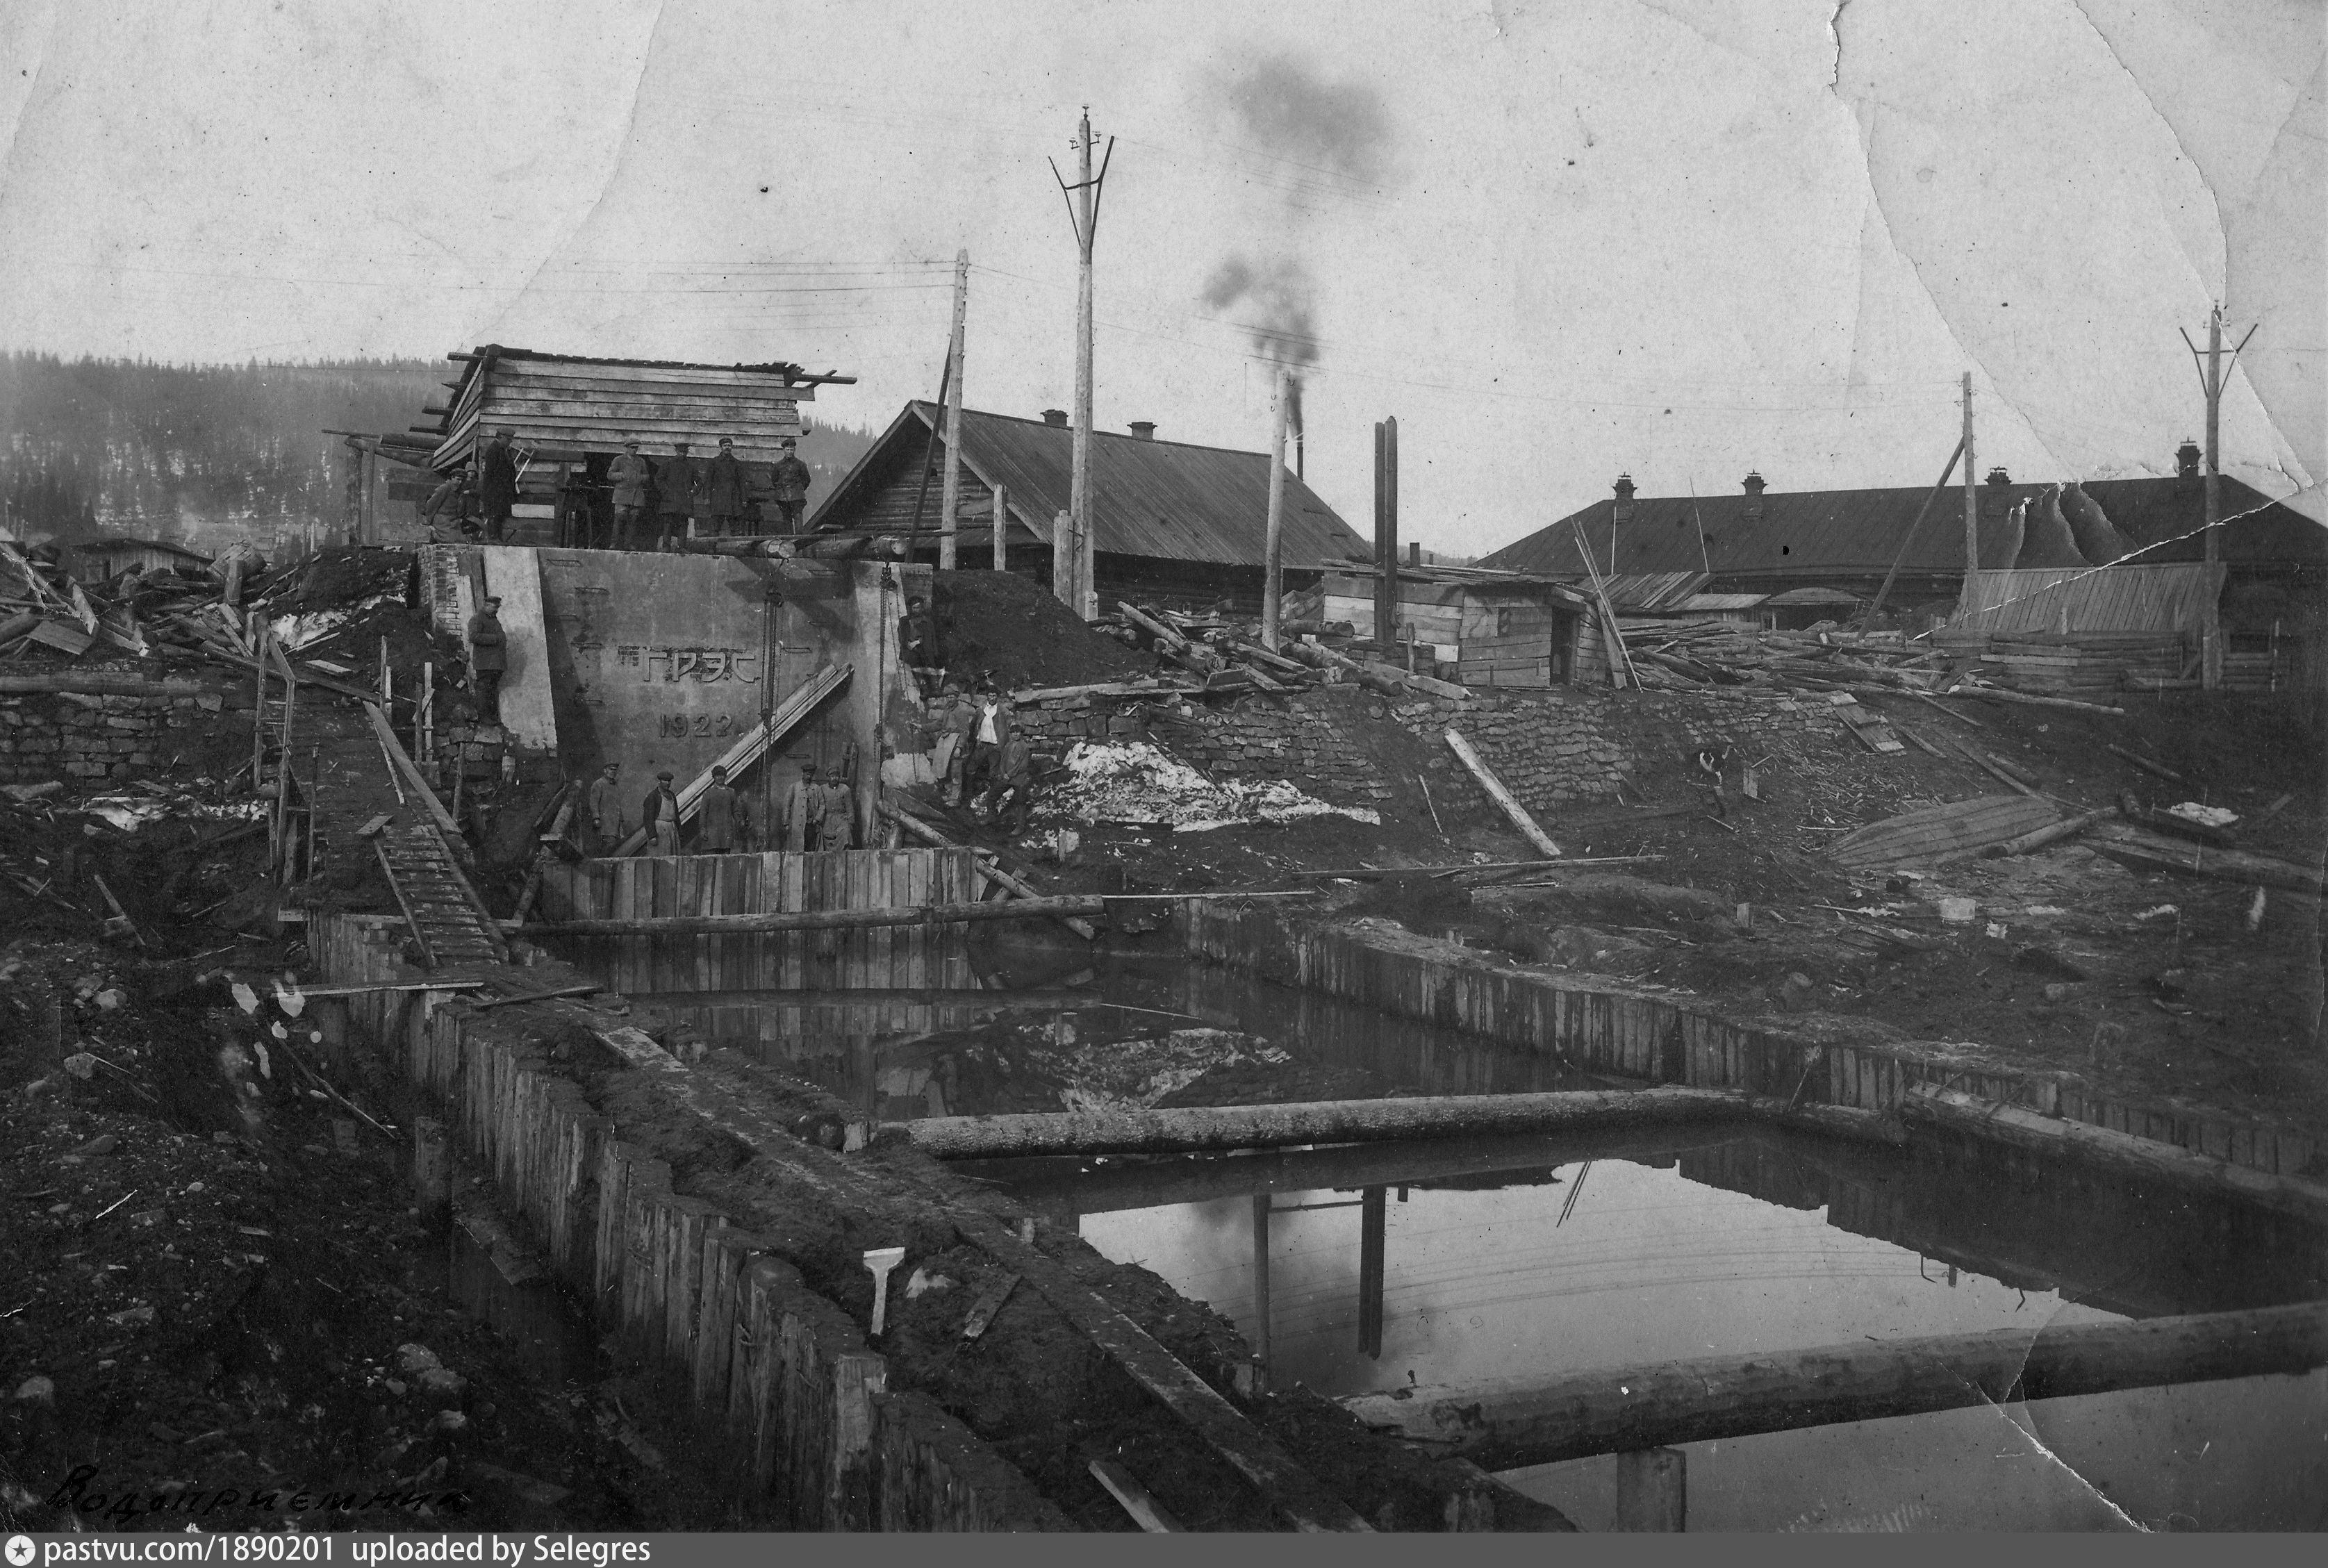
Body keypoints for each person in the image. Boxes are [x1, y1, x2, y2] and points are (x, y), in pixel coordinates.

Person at [956, 683, 1009, 807]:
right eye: (990, 696)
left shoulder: (1003, 711)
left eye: (994, 696)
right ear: (987, 697)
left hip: (995, 747)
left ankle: (991, 799)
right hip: (982, 745)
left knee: (994, 772)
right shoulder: (981, 710)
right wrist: (977, 739)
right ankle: (968, 795)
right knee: (970, 767)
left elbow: (1007, 730)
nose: (992, 698)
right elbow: (975, 726)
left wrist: (1001, 744)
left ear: (997, 697)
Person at [608, 439, 652, 552]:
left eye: (636, 448)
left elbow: (647, 475)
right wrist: (622, 475)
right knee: (619, 519)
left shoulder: (641, 461)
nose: (635, 450)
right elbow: (610, 474)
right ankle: (614, 543)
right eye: (632, 448)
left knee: (633, 520)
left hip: (636, 496)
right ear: (627, 448)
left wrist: (640, 478)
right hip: (622, 495)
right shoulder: (619, 460)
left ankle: (629, 544)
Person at [468, 595, 507, 718]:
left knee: (491, 690)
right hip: (485, 663)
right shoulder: (477, 618)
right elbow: (473, 636)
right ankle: (483, 718)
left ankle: (491, 717)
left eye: (498, 608)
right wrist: (495, 639)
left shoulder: (493, 619)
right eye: (495, 607)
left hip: (494, 663)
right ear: (487, 605)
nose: (497, 610)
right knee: (484, 690)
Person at [695, 764, 750, 852]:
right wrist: (703, 829)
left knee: (725, 857)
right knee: (712, 857)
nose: (720, 778)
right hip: (712, 834)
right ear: (714, 777)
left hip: (726, 832)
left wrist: (741, 822)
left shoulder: (731, 792)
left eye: (722, 776)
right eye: (717, 776)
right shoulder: (708, 793)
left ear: (725, 777)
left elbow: (736, 810)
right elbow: (703, 813)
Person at [477, 428, 519, 543]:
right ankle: (493, 538)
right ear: (500, 437)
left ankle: (498, 538)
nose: (510, 442)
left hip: (502, 492)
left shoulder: (504, 451)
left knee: (500, 515)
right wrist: (497, 490)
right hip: (495, 492)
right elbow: (491, 474)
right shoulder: (493, 450)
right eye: (508, 439)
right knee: (494, 514)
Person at [655, 443, 699, 550]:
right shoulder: (668, 464)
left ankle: (681, 547)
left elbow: (699, 482)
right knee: (668, 524)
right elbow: (659, 479)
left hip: (684, 500)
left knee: (683, 524)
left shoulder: (690, 467)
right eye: (681, 452)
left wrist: (692, 492)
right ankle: (666, 546)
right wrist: (666, 492)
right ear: (676, 451)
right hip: (670, 500)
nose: (683, 454)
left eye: (685, 452)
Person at [990, 732, 1036, 834]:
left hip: (1019, 777)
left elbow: (1022, 766)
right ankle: (991, 816)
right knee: (992, 794)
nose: (1015, 734)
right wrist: (1003, 773)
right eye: (1013, 732)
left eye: (1018, 732)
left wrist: (1009, 774)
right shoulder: (1008, 745)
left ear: (1021, 734)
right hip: (1007, 778)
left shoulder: (1024, 747)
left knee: (1020, 801)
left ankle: (1020, 827)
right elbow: (1003, 760)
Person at [704, 436, 748, 538]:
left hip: (733, 499)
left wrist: (744, 499)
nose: (727, 447)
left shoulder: (737, 463)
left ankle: (737, 547)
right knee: (714, 528)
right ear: (721, 447)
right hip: (718, 499)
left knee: (736, 528)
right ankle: (712, 547)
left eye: (729, 445)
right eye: (725, 446)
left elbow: (742, 483)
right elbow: (708, 481)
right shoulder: (714, 462)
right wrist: (706, 497)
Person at [769, 437, 811, 534]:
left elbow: (807, 480)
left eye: (791, 450)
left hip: (797, 497)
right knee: (786, 519)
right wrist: (781, 492)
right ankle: (789, 539)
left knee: (798, 517)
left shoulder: (800, 465)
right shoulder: (778, 465)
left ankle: (799, 538)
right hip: (783, 497)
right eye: (787, 450)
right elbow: (774, 480)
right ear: (784, 450)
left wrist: (799, 489)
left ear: (794, 450)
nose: (790, 452)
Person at [780, 760, 821, 852]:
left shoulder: (817, 788)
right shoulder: (794, 787)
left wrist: (817, 819)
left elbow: (822, 806)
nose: (809, 777)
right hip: (797, 825)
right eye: (807, 774)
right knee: (797, 849)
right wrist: (786, 823)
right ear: (803, 774)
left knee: (811, 849)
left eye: (811, 775)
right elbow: (787, 805)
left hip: (811, 824)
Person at [584, 760, 623, 855]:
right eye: (611, 769)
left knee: (614, 849)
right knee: (607, 849)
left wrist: (621, 821)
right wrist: (596, 818)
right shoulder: (599, 784)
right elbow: (593, 802)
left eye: (615, 770)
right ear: (605, 770)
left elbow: (617, 805)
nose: (613, 771)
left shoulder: (615, 786)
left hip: (615, 825)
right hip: (604, 825)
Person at [641, 770, 682, 856]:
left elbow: (676, 815)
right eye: (665, 781)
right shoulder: (653, 796)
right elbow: (648, 818)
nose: (667, 783)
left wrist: (680, 832)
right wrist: (652, 836)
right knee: (660, 856)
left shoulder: (672, 795)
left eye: (669, 781)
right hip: (659, 831)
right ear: (659, 781)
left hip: (672, 829)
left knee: (673, 855)